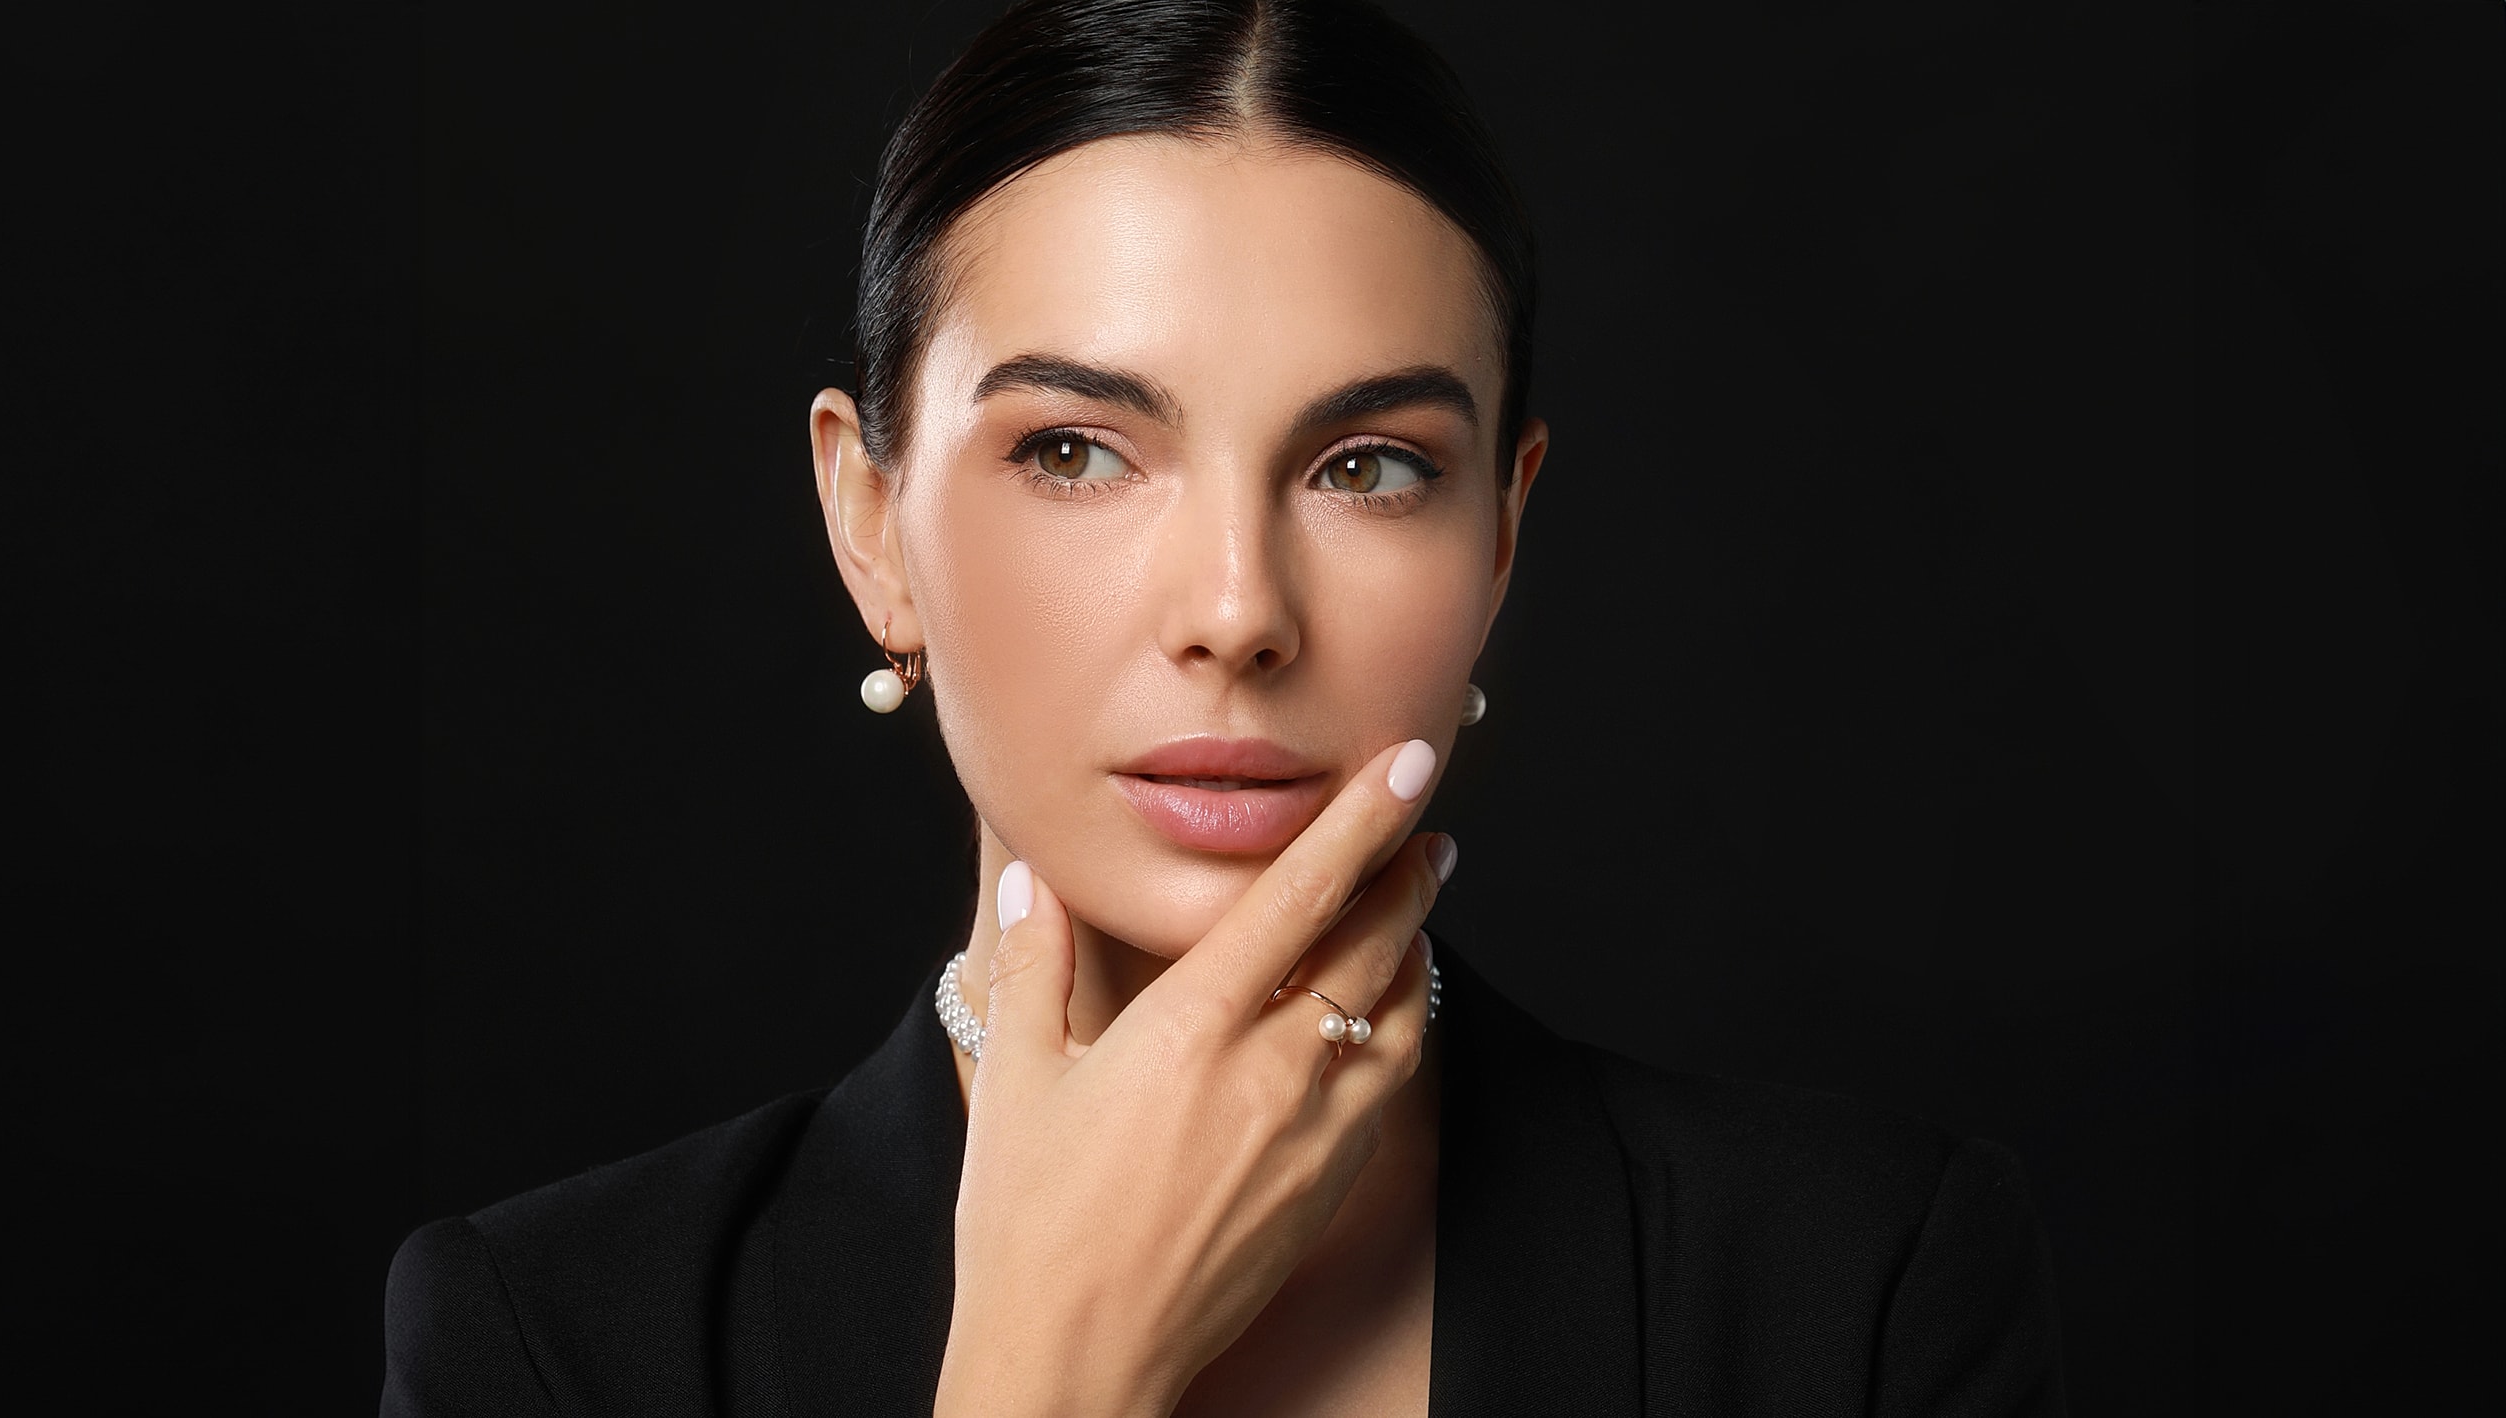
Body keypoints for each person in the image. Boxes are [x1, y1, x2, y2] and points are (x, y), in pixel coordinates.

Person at [381, 0, 2067, 1412]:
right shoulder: (555, 1342)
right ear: (870, 522)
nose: (1241, 611)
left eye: (1368, 467)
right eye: (1076, 449)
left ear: (1501, 535)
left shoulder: (1853, 1292)